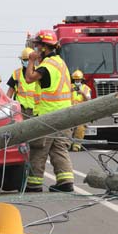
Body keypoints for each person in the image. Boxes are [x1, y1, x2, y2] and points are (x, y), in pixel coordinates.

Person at [24, 29, 75, 192]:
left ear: (44, 48)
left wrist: (31, 61)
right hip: (66, 114)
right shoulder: (61, 63)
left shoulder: (47, 66)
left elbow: (29, 78)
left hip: (49, 115)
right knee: (59, 148)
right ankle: (65, 182)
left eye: (38, 46)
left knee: (39, 149)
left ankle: (34, 183)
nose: (36, 49)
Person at [6, 47, 36, 117]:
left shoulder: (39, 72)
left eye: (29, 59)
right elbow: (10, 92)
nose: (27, 61)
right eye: (25, 60)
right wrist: (7, 106)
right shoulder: (16, 73)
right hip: (20, 110)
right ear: (21, 60)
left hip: (35, 109)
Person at [69, 69, 92, 152]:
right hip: (69, 111)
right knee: (68, 129)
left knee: (80, 128)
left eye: (78, 80)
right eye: (75, 80)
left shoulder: (86, 89)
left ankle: (76, 145)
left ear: (82, 80)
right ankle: (67, 145)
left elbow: (89, 100)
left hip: (81, 113)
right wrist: (69, 91)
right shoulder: (69, 87)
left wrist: (82, 93)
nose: (77, 81)